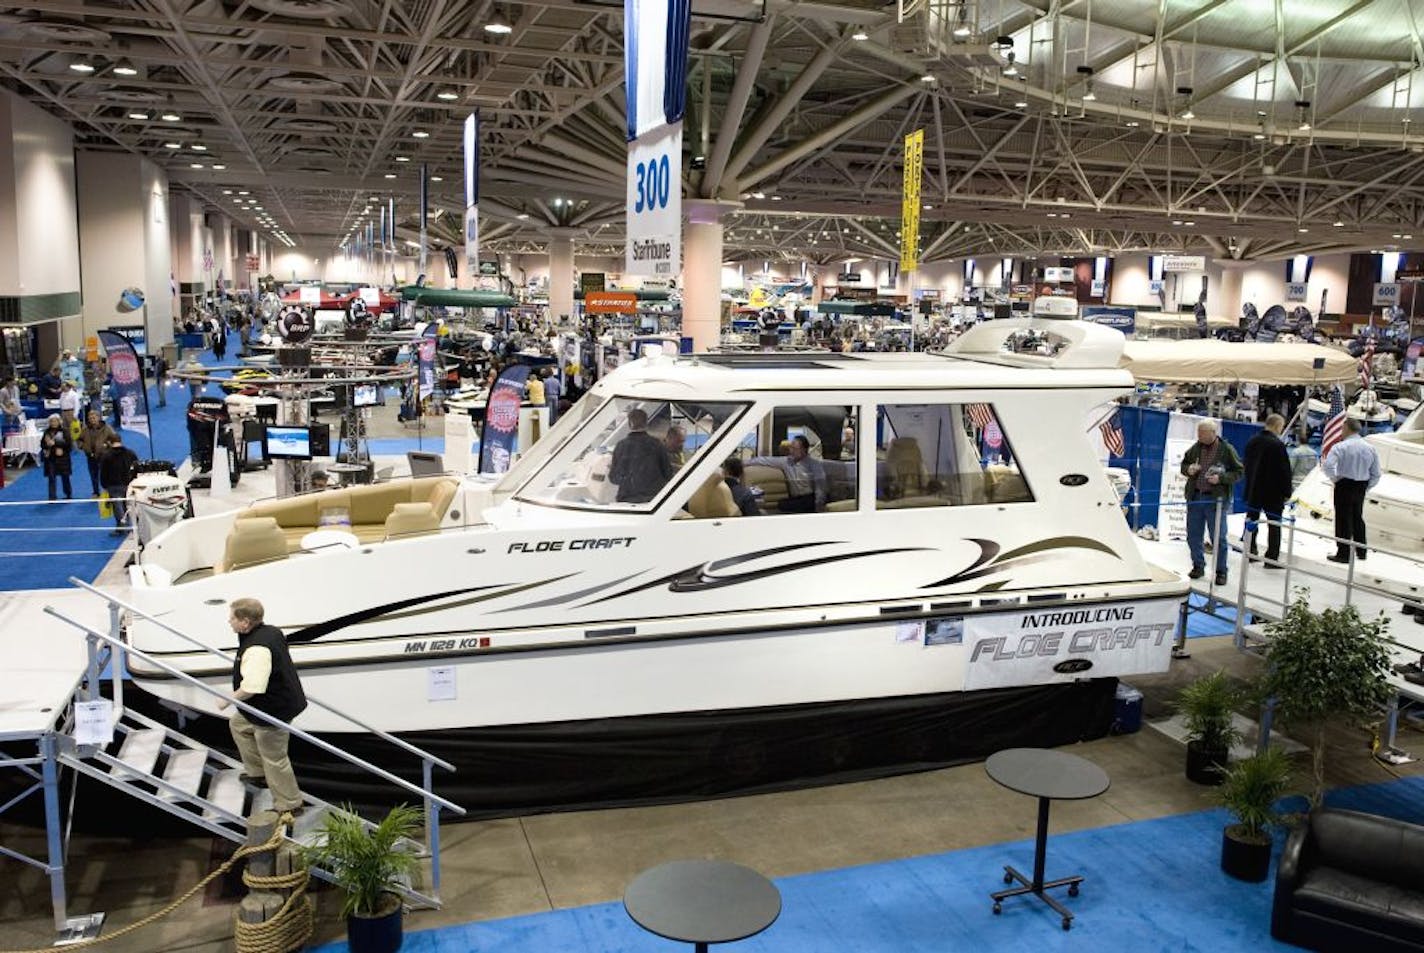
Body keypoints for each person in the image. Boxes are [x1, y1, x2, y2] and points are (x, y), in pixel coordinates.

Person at [216, 598, 307, 815]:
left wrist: (227, 699)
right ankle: (258, 773)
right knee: (238, 725)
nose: (229, 621)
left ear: (245, 622)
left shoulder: (256, 649)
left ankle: (290, 804)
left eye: (232, 618)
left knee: (275, 757)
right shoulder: (271, 631)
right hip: (269, 704)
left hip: (272, 710)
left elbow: (252, 687)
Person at [1180, 419, 1243, 585]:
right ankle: (1198, 565)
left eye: (1202, 433)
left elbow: (1238, 471)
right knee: (1193, 535)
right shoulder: (1196, 448)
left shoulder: (1226, 450)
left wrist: (1221, 478)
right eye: (1198, 433)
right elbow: (1184, 464)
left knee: (1219, 538)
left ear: (1213, 433)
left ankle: (1221, 571)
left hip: (1216, 501)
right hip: (1195, 497)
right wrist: (1189, 469)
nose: (1199, 436)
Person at [1322, 417, 1381, 563]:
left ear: (1347, 428)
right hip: (1361, 485)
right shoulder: (1370, 448)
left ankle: (1343, 553)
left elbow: (1328, 466)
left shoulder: (1340, 447)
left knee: (1343, 519)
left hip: (1344, 484)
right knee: (1357, 517)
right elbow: (1376, 473)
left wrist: (1336, 479)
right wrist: (1367, 486)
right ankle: (1361, 551)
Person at [1243, 413, 1292, 567]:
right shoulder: (1277, 445)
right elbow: (1284, 471)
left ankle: (1250, 551)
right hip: (1273, 493)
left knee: (1252, 521)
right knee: (1274, 525)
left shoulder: (1252, 441)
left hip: (1253, 489)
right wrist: (1287, 492)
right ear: (1278, 426)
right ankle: (1271, 558)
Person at [750, 435, 828, 513]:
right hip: (796, 498)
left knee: (803, 505)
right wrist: (742, 463)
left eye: (794, 449)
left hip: (810, 497)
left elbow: (820, 485)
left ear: (804, 449)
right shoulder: (786, 462)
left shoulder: (814, 464)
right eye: (791, 448)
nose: (791, 451)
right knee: (782, 504)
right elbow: (764, 460)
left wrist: (819, 503)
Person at [609, 407, 672, 503]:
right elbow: (668, 473)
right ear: (646, 423)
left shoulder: (621, 446)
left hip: (627, 498)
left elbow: (613, 478)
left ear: (630, 424)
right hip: (654, 499)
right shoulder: (657, 444)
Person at [99, 435, 138, 535]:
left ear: (109, 442)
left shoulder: (106, 456)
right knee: (129, 505)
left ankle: (122, 527)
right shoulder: (130, 453)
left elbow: (103, 472)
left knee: (117, 507)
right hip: (129, 483)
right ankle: (131, 524)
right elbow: (137, 467)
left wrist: (104, 485)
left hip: (113, 485)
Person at [77, 409, 118, 497]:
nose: (92, 419)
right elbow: (79, 440)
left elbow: (115, 439)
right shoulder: (85, 429)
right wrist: (82, 447)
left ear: (98, 418)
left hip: (104, 456)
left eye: (94, 417)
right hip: (90, 456)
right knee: (93, 475)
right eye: (90, 418)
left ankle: (107, 491)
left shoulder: (107, 428)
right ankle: (96, 492)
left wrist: (107, 445)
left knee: (106, 474)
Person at [40, 414, 74, 500]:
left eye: (55, 421)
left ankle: (68, 494)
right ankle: (52, 496)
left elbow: (69, 444)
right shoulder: (46, 432)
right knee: (51, 477)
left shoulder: (65, 431)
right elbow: (42, 444)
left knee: (65, 477)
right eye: (51, 421)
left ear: (59, 421)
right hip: (51, 458)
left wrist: (56, 444)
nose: (53, 423)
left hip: (63, 458)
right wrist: (46, 445)